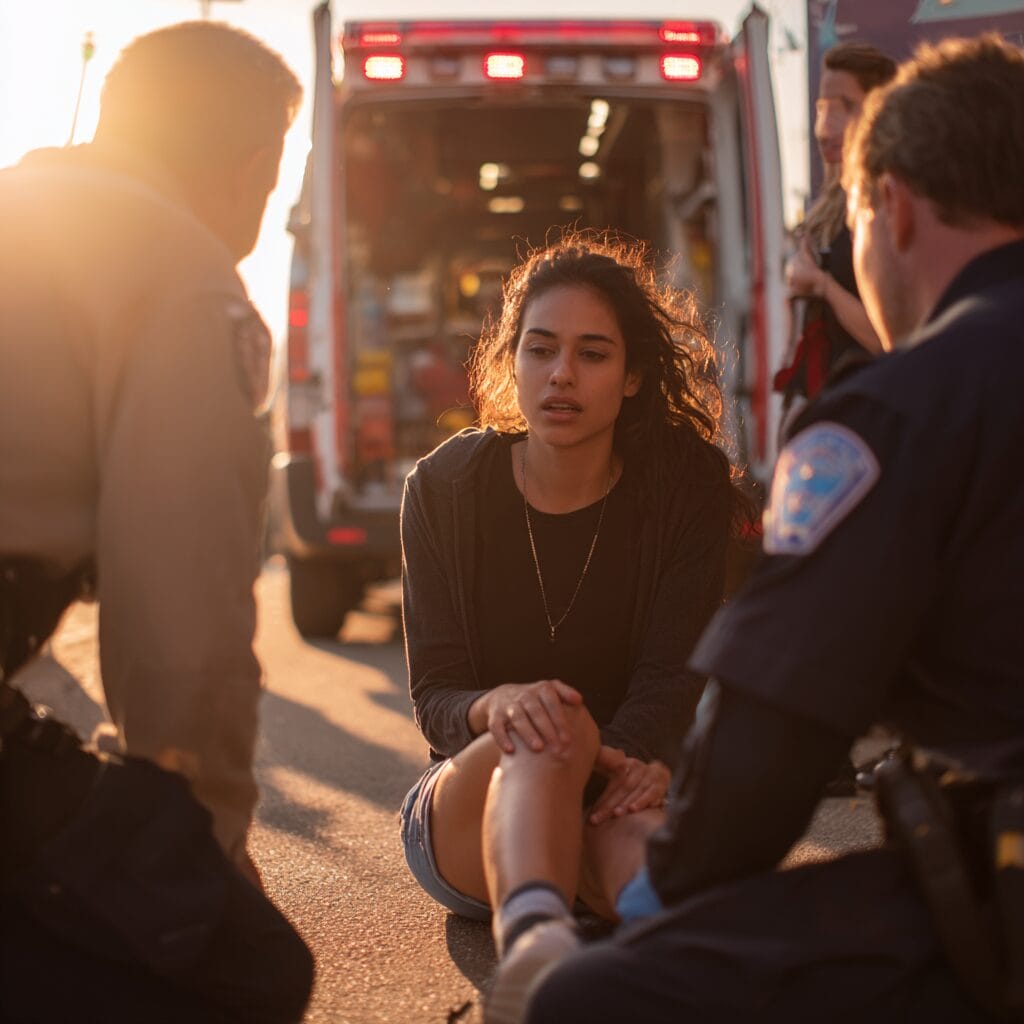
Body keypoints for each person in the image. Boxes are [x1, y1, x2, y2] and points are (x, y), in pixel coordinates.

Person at [521, 33, 1024, 1024]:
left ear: (893, 209)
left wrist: (651, 905)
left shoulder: (896, 413)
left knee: (583, 996)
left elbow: (772, 737)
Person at [0, 22, 313, 1022]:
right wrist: (203, 846)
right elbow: (178, 628)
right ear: (256, 166)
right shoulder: (181, 268)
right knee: (242, 968)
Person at [398, 232, 748, 1022]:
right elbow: (437, 698)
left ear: (631, 378)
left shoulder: (683, 485)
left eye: (593, 354)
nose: (562, 374)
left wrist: (625, 760)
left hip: (623, 783)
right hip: (470, 804)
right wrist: (504, 707)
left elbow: (672, 675)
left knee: (639, 849)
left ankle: (680, 948)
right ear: (511, 362)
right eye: (541, 349)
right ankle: (532, 946)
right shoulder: (445, 489)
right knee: (552, 721)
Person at [776, 42, 895, 417]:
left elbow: (887, 339)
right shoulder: (832, 204)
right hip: (828, 406)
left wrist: (821, 286)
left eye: (844, 107)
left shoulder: (888, 206)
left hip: (872, 410)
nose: (825, 128)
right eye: (821, 108)